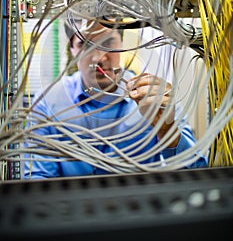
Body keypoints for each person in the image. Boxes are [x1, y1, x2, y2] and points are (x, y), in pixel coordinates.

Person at [24, 19, 207, 179]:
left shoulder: (155, 97)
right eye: (85, 44)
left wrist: (167, 132)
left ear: (121, 44)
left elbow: (197, 173)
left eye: (108, 42)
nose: (99, 56)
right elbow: (38, 180)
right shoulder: (48, 102)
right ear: (72, 50)